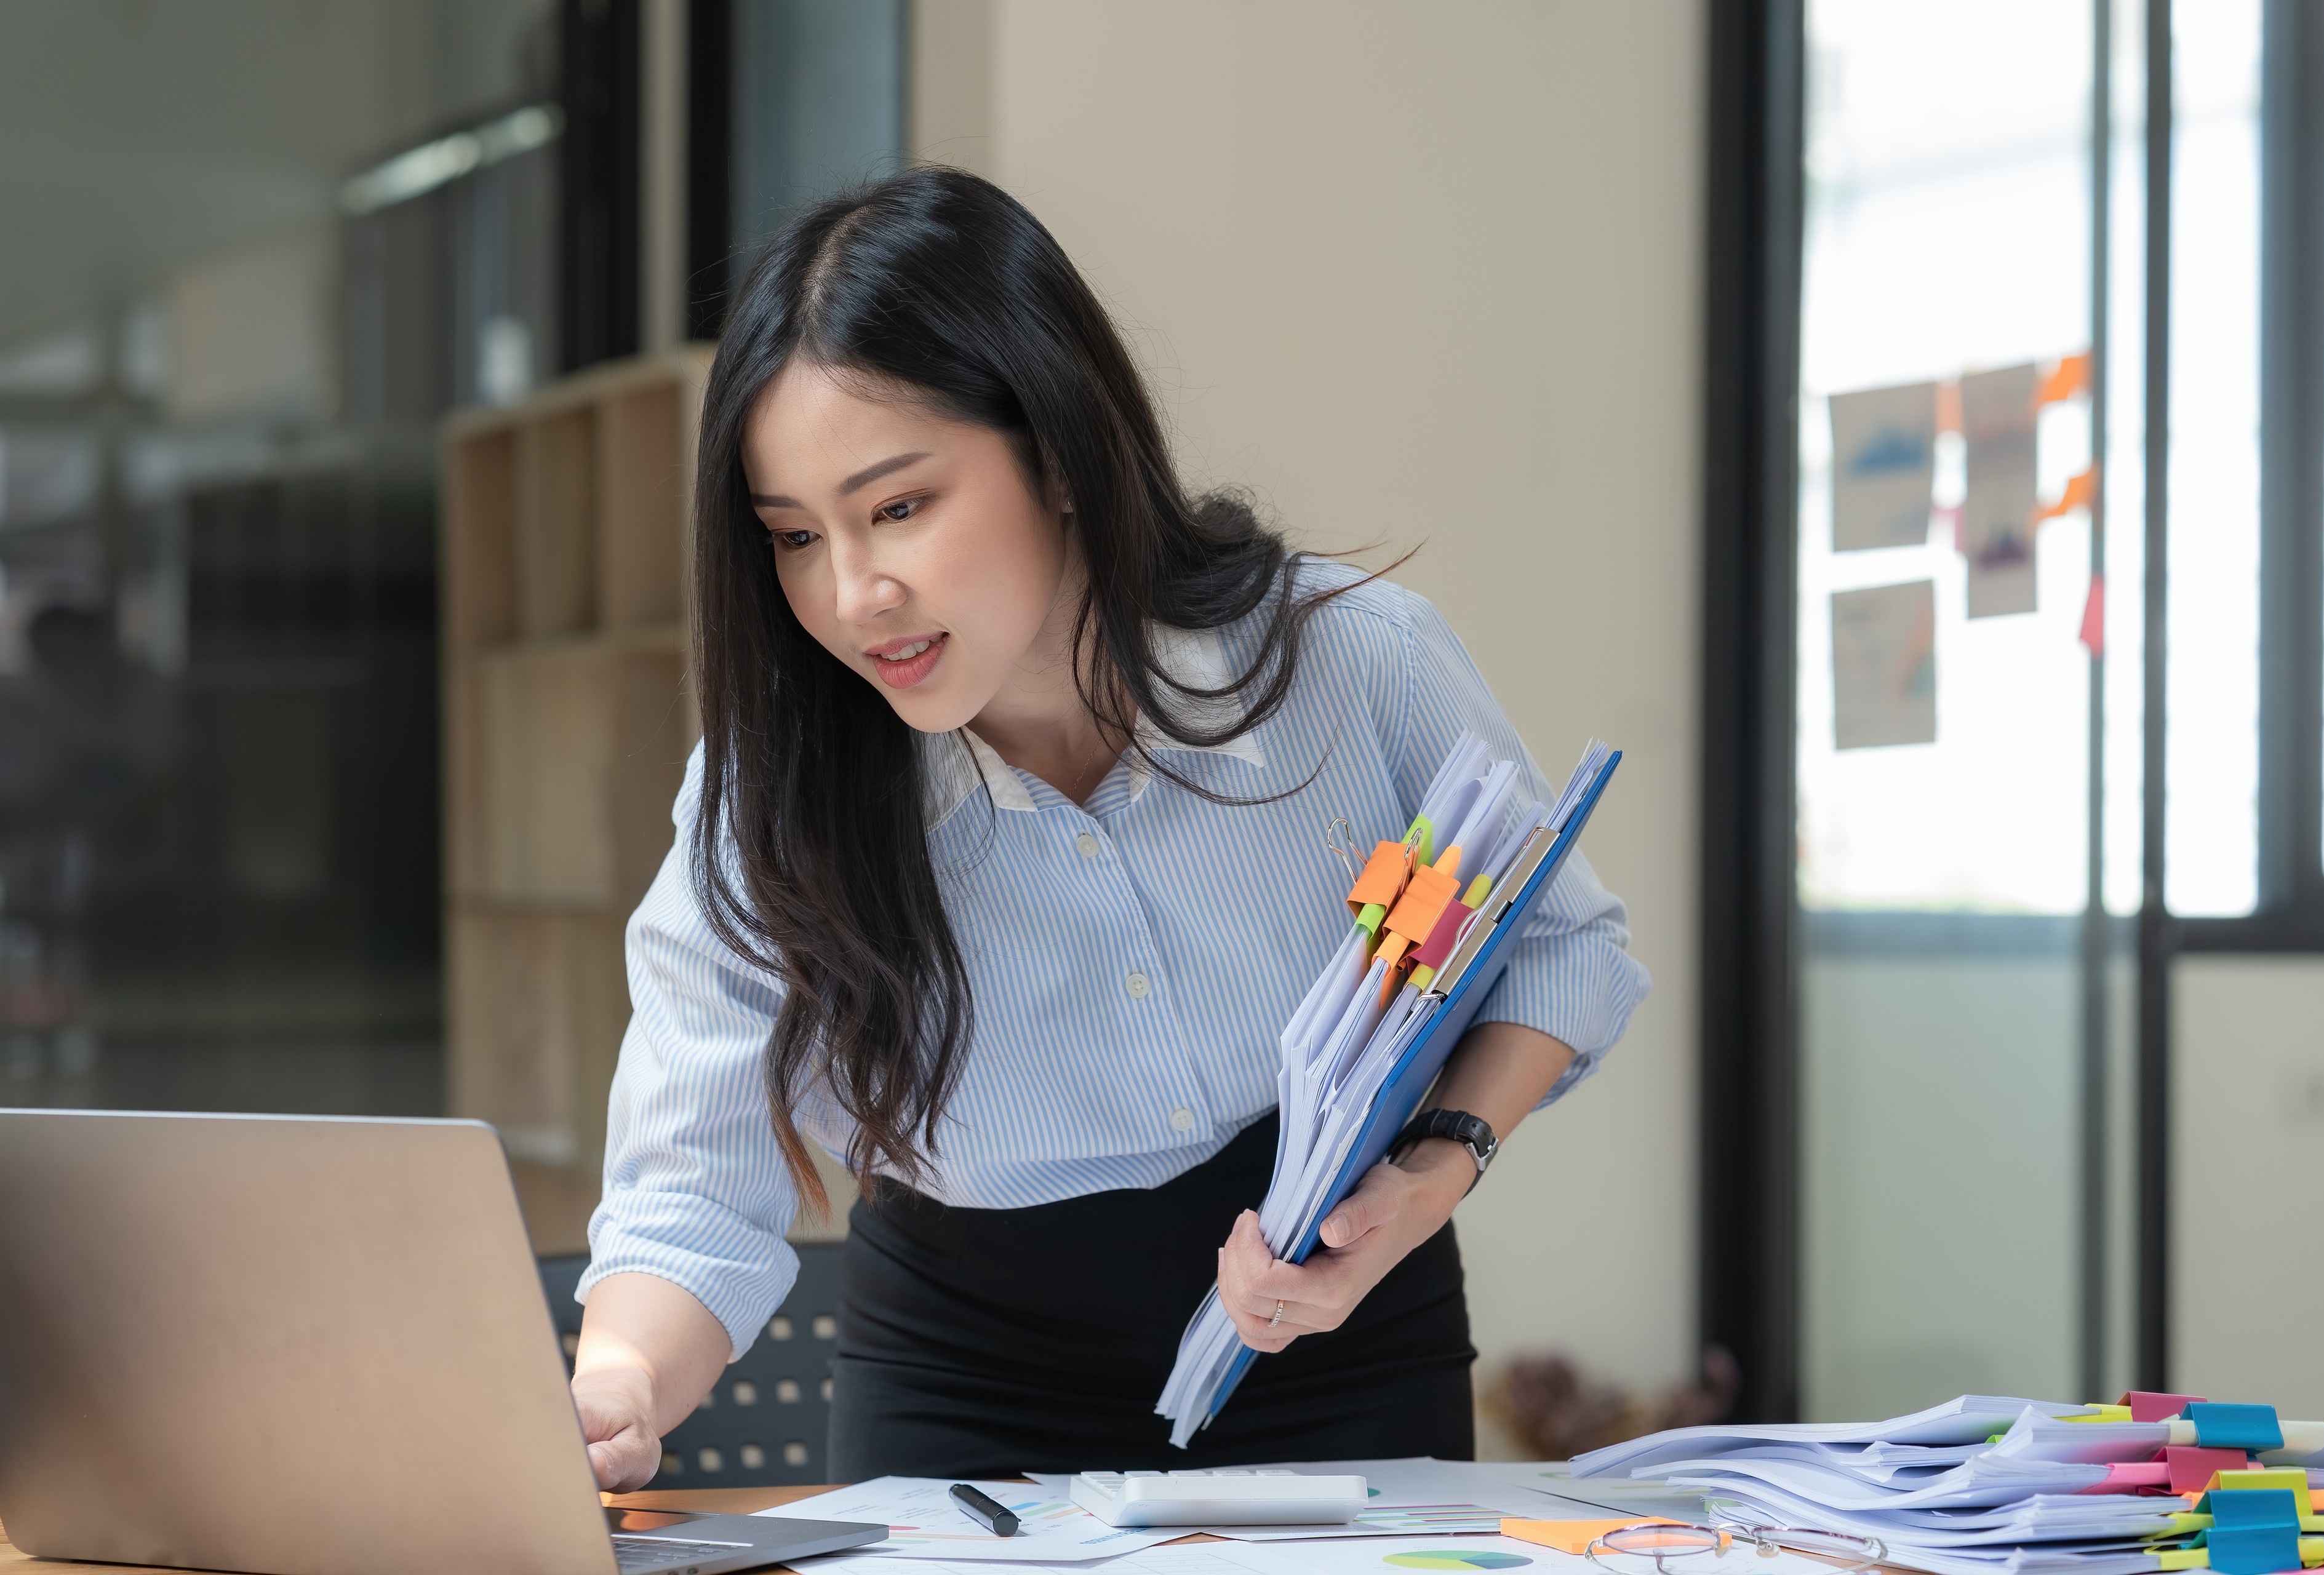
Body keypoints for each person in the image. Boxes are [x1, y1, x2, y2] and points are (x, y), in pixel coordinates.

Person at [569, 166, 1649, 1487]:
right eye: (795, 535)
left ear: (1060, 452)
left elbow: (1559, 949)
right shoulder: (768, 796)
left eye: (900, 505)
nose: (856, 593)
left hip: (1335, 1343)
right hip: (965, 1385)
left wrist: (1435, 1166)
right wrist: (616, 1384)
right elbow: (691, 1186)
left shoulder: (1356, 665)